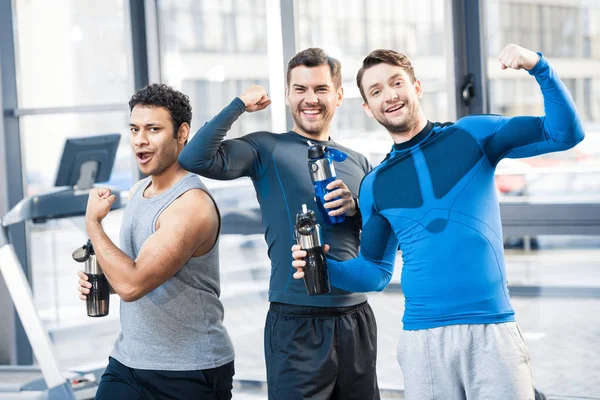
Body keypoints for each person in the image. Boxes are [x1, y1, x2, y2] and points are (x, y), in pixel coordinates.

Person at [292, 43, 585, 399]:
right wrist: (322, 266)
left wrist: (538, 66)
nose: (390, 95)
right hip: (423, 341)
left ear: (416, 87)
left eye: (396, 82)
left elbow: (565, 133)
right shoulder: (375, 185)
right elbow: (375, 270)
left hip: (492, 330)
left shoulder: (473, 135)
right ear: (369, 109)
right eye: (377, 90)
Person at [178, 48, 378, 400]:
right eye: (300, 89)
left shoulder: (359, 161)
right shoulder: (266, 149)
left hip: (356, 319)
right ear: (287, 95)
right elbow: (195, 157)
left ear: (339, 95)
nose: (310, 99)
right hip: (296, 322)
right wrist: (239, 104)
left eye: (320, 89)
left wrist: (357, 207)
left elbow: (384, 237)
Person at [77, 83, 235, 399]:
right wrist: (106, 283)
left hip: (188, 370)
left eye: (153, 129)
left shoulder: (190, 205)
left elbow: (133, 285)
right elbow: (136, 272)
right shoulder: (140, 191)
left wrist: (93, 223)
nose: (140, 140)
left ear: (182, 133)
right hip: (128, 360)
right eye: (135, 129)